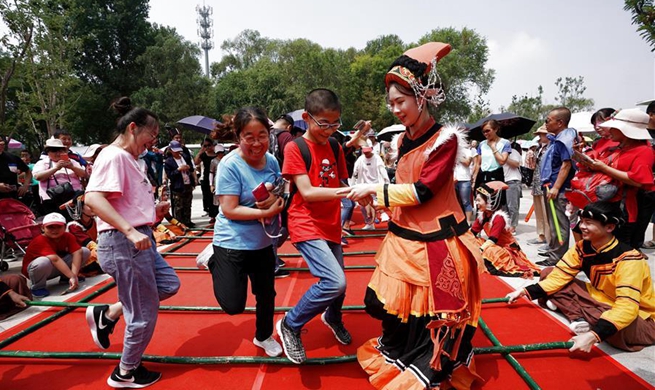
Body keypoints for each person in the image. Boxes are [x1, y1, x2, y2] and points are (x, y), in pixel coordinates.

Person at [344, 42, 483, 389]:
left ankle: (428, 367)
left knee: (435, 314)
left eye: (399, 102)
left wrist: (377, 193)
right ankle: (400, 355)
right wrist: (381, 201)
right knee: (385, 306)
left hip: (438, 241)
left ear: (421, 97)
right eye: (390, 103)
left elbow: (423, 191)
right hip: (404, 235)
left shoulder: (444, 140)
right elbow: (405, 186)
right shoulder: (405, 139)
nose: (394, 109)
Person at [84, 97, 180, 388]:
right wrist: (129, 230)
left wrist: (152, 213)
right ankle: (125, 372)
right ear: (133, 128)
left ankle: (109, 312)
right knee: (143, 311)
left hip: (141, 239)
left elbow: (124, 201)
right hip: (124, 243)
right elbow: (92, 199)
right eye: (151, 136)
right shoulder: (113, 156)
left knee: (168, 284)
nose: (152, 142)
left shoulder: (133, 159)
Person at [506, 202, 655, 353]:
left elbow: (627, 307)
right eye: (582, 221)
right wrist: (524, 291)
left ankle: (578, 314)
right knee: (548, 273)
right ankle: (580, 317)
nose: (582, 226)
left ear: (609, 227)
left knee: (617, 329)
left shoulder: (629, 259)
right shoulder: (582, 247)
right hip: (599, 299)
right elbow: (559, 276)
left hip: (640, 316)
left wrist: (593, 336)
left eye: (588, 223)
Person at [276, 88, 351, 364]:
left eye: (335, 123)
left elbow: (342, 182)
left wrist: (363, 195)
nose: (330, 129)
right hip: (304, 221)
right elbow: (306, 192)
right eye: (324, 123)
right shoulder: (295, 148)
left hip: (331, 223)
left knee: (340, 287)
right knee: (334, 281)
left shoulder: (335, 146)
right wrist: (347, 194)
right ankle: (290, 324)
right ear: (307, 117)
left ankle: (332, 316)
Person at [209, 107, 285, 358]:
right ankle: (214, 259)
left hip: (262, 243)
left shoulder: (272, 160)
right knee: (233, 306)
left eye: (261, 135)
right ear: (238, 137)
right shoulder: (229, 166)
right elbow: (229, 209)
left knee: (266, 293)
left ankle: (263, 335)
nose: (256, 143)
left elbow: (279, 190)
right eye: (249, 137)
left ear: (269, 135)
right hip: (232, 241)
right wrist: (265, 213)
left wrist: (277, 201)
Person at [580, 108, 654, 250]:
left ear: (626, 131)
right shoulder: (618, 148)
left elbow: (638, 181)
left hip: (623, 210)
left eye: (614, 128)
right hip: (606, 206)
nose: (610, 130)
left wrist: (604, 168)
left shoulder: (644, 151)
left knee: (618, 254)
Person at [471, 181, 539, 278]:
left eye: (478, 200)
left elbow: (492, 240)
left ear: (489, 201)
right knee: (474, 241)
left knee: (489, 250)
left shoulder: (499, 217)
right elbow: (472, 233)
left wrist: (480, 250)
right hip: (494, 246)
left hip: (507, 249)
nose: (476, 203)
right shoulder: (483, 214)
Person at [538, 107, 576, 266]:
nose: (545, 123)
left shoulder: (564, 140)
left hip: (558, 189)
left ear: (560, 122)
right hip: (551, 186)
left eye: (548, 120)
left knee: (559, 224)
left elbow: (566, 165)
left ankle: (557, 258)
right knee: (553, 223)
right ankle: (553, 252)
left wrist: (555, 187)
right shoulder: (557, 139)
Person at [21, 212, 90, 298]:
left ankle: (66, 278)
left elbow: (77, 253)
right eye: (50, 227)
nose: (55, 230)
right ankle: (37, 287)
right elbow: (55, 259)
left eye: (59, 227)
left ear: (65, 227)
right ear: (43, 228)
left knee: (84, 251)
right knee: (43, 261)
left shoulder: (68, 236)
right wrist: (72, 276)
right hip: (38, 270)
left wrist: (74, 276)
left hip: (56, 266)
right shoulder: (40, 240)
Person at [32, 138, 87, 216]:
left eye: (60, 150)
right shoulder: (42, 163)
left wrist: (72, 167)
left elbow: (84, 174)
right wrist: (56, 168)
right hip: (52, 199)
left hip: (74, 197)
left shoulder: (72, 162)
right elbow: (38, 177)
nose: (57, 153)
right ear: (48, 152)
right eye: (54, 151)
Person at [351, 145, 389, 230]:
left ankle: (381, 215)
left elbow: (382, 170)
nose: (366, 154)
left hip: (376, 185)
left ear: (371, 150)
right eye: (365, 152)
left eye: (368, 152)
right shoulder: (361, 159)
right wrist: (354, 182)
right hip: (364, 185)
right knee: (363, 206)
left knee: (375, 204)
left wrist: (386, 182)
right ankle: (369, 222)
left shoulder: (377, 158)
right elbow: (355, 171)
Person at [527, 125, 551, 247]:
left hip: (546, 184)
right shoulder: (538, 149)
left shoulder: (551, 148)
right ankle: (541, 235)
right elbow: (533, 167)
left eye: (543, 134)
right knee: (539, 211)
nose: (540, 137)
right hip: (536, 183)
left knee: (547, 213)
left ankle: (549, 238)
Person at [164, 140, 197, 227]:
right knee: (178, 206)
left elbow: (192, 167)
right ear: (170, 150)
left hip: (187, 183)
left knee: (188, 204)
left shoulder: (185, 157)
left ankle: (188, 221)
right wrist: (178, 170)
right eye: (175, 151)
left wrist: (188, 168)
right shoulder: (168, 162)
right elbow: (170, 175)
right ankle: (180, 223)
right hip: (177, 186)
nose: (177, 152)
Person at [472, 119, 511, 190]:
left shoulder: (505, 143)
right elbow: (478, 164)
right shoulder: (482, 144)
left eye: (488, 131)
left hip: (496, 176)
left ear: (495, 129)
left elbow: (502, 161)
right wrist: (474, 179)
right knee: (481, 200)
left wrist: (493, 147)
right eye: (483, 132)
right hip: (482, 176)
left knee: (496, 200)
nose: (485, 134)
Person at [0, 135, 32, 201]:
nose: (1, 143)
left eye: (1, 141)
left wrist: (25, 186)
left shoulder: (12, 158)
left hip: (12, 199)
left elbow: (28, 171)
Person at [194, 138, 218, 222]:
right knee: (208, 197)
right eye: (205, 145)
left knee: (217, 197)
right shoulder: (203, 155)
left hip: (217, 177)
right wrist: (201, 151)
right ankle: (212, 215)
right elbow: (196, 162)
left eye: (209, 145)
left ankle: (218, 214)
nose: (207, 147)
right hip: (206, 178)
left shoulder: (217, 154)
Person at [454, 134, 475, 222]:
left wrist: (459, 154)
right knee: (453, 202)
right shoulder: (453, 150)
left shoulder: (468, 151)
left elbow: (467, 163)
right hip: (453, 180)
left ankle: (468, 222)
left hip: (464, 180)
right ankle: (455, 220)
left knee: (466, 202)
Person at [503, 142, 522, 233]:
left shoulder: (513, 151)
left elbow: (516, 164)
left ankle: (513, 226)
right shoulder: (497, 152)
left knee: (512, 206)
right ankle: (505, 225)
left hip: (513, 180)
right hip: (503, 181)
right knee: (504, 206)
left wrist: (504, 157)